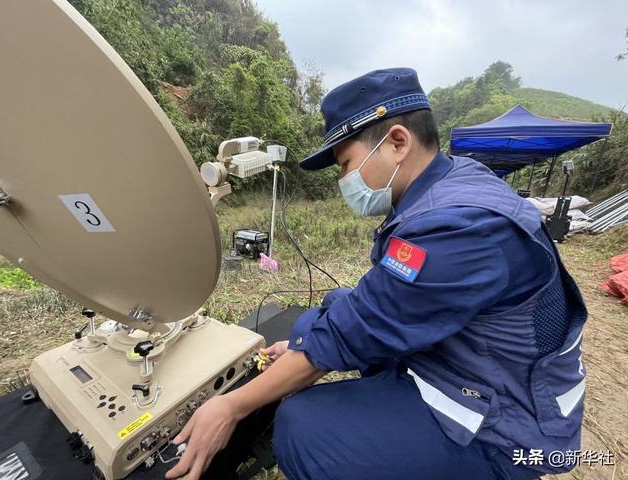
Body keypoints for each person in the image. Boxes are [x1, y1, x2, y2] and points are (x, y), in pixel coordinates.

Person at [165, 67, 587, 480]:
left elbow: (357, 331)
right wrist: (304, 338)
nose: (345, 181)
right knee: (333, 304)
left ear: (397, 142)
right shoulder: (452, 182)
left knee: (303, 425)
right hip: (474, 367)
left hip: (505, 430)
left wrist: (231, 406)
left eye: (347, 164)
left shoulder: (459, 226)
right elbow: (374, 305)